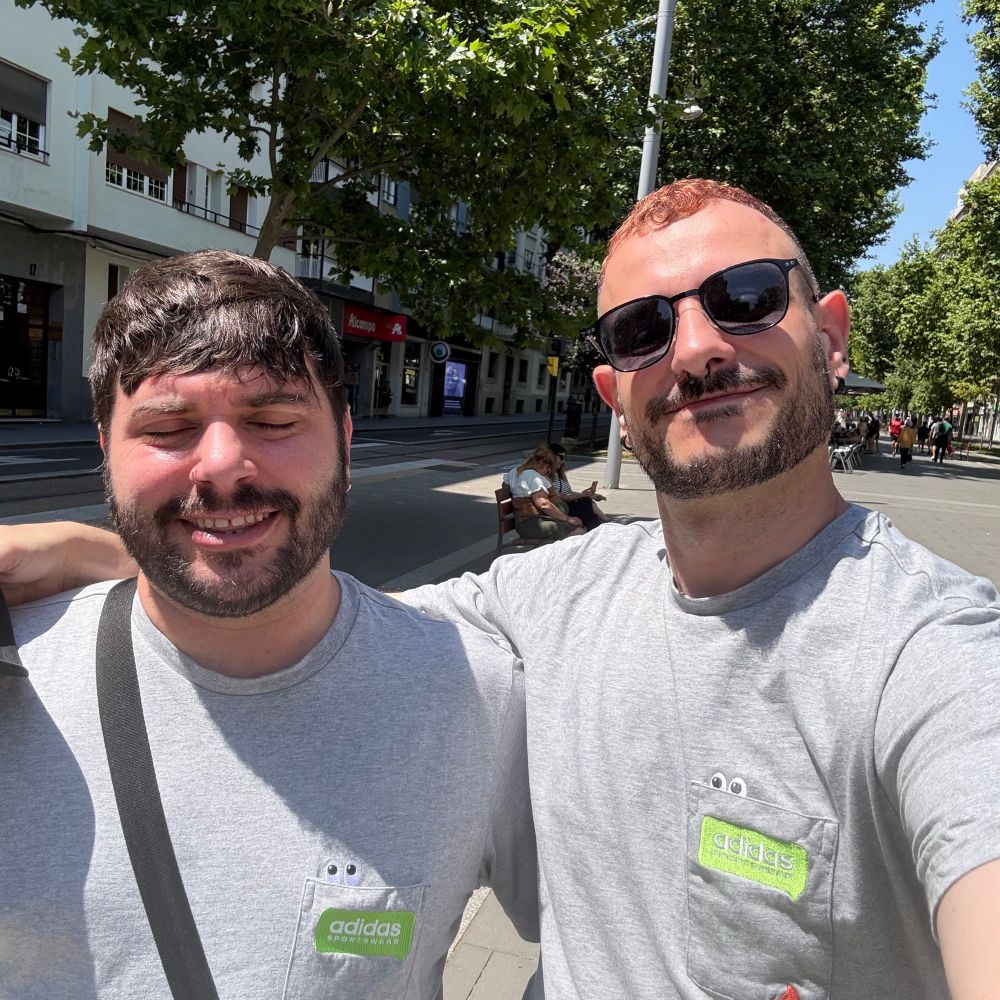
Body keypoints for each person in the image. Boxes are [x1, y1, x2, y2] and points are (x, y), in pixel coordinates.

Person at [7, 181, 1000, 1000]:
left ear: (829, 333)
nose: (696, 348)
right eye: (643, 327)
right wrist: (115, 553)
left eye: (744, 296)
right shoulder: (539, 610)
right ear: (614, 393)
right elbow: (287, 605)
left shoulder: (933, 656)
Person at [0, 251, 537, 999]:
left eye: (274, 419)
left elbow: (614, 946)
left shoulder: (480, 699)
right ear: (105, 447)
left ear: (345, 441)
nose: (221, 466)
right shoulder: (15, 679)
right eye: (168, 427)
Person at [502, 446, 585, 541]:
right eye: (549, 468)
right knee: (578, 532)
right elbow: (544, 504)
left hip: (528, 522)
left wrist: (519, 494)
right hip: (532, 524)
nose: (549, 471)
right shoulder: (533, 477)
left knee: (575, 527)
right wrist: (567, 518)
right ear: (542, 463)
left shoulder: (515, 471)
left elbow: (505, 484)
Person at [546, 442, 609, 530]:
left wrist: (590, 495)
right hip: (561, 507)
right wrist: (582, 495)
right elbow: (561, 497)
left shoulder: (560, 474)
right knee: (584, 503)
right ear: (552, 457)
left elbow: (569, 493)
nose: (563, 461)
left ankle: (603, 524)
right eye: (561, 457)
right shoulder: (548, 475)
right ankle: (602, 525)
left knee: (586, 501)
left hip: (568, 504)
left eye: (564, 458)